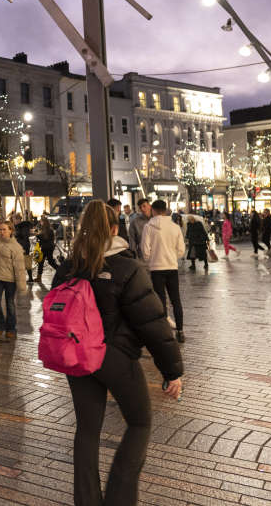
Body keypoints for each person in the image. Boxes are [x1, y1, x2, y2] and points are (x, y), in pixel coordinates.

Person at [52, 201, 183, 505]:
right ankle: (119, 499)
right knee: (139, 422)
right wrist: (172, 371)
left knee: (87, 430)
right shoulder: (127, 268)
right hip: (115, 357)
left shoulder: (69, 266)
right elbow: (152, 323)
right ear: (114, 229)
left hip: (77, 357)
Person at [141, 200, 187, 342]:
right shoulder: (175, 227)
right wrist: (172, 257)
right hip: (172, 267)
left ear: (153, 210)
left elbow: (145, 251)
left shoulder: (148, 227)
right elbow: (181, 250)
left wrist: (152, 259)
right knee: (176, 300)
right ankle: (180, 330)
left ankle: (164, 332)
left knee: (160, 301)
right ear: (165, 210)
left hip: (156, 268)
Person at [0, 221, 26, 340]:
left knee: (10, 304)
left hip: (10, 280)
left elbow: (20, 268)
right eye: (0, 229)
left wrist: (21, 285)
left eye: (4, 229)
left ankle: (11, 328)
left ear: (11, 231)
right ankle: (0, 325)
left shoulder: (16, 247)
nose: (2, 232)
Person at [34, 217, 60, 284]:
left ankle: (61, 271)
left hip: (46, 248)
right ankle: (39, 278)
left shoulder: (47, 230)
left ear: (44, 222)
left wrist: (37, 235)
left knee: (48, 262)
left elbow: (44, 238)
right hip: (48, 247)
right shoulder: (48, 229)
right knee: (44, 262)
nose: (40, 223)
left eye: (41, 222)